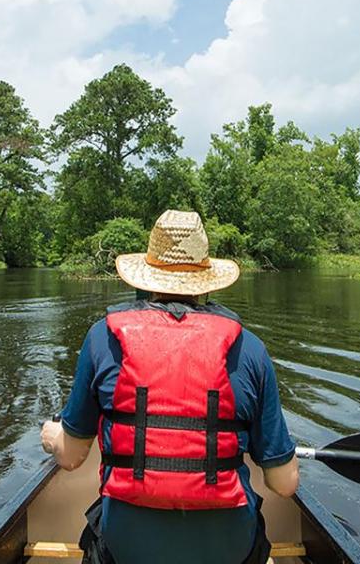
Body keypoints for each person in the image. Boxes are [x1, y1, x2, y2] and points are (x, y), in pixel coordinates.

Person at [40, 209, 299, 564]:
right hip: (229, 549)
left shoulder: (103, 338)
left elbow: (71, 457)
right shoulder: (250, 348)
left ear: (144, 279)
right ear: (207, 282)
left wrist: (53, 435)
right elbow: (284, 485)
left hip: (129, 548)